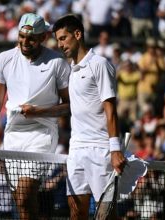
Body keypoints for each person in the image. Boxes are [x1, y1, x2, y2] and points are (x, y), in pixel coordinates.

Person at [0, 13, 71, 220]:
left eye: (31, 38)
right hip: (13, 136)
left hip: (42, 135)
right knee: (22, 204)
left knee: (26, 195)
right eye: (22, 36)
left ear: (43, 37)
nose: (25, 42)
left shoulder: (57, 62)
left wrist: (39, 112)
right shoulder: (4, 59)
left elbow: (71, 106)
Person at [52, 15, 126, 219]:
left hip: (101, 150)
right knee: (76, 213)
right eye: (58, 40)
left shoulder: (100, 64)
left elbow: (110, 108)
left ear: (78, 34)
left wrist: (115, 149)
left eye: (63, 38)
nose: (60, 44)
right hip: (76, 149)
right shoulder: (70, 71)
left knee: (106, 216)